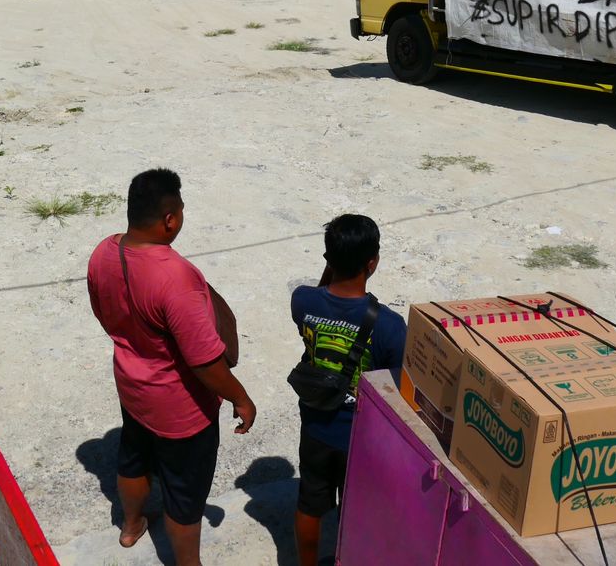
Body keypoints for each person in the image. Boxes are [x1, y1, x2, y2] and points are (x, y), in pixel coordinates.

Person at [87, 169, 255, 565]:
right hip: (182, 411)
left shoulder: (102, 253)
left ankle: (130, 527)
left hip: (132, 389)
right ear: (170, 219)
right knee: (184, 498)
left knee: (132, 459)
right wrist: (240, 397)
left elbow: (104, 313)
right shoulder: (174, 277)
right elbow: (204, 362)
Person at [291, 214, 407, 566]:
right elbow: (397, 391)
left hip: (315, 426)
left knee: (310, 503)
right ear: (372, 263)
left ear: (328, 259)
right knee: (357, 510)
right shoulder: (389, 325)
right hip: (360, 438)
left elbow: (321, 292)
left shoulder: (302, 302)